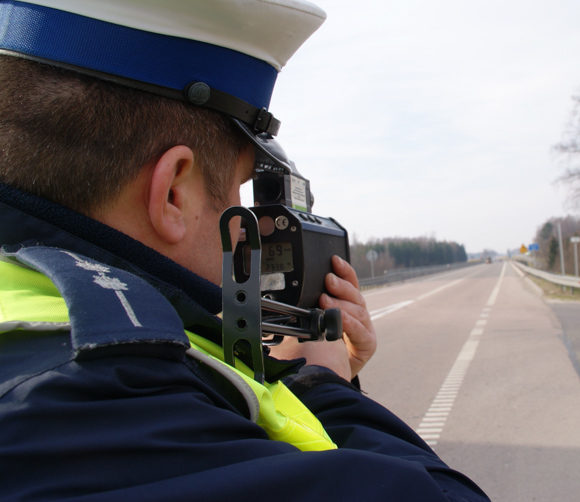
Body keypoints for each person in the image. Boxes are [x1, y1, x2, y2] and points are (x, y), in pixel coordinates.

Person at [0, 1, 490, 500]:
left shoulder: (46, 332)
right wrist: (325, 384)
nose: (243, 229)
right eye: (236, 195)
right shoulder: (118, 394)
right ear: (174, 192)